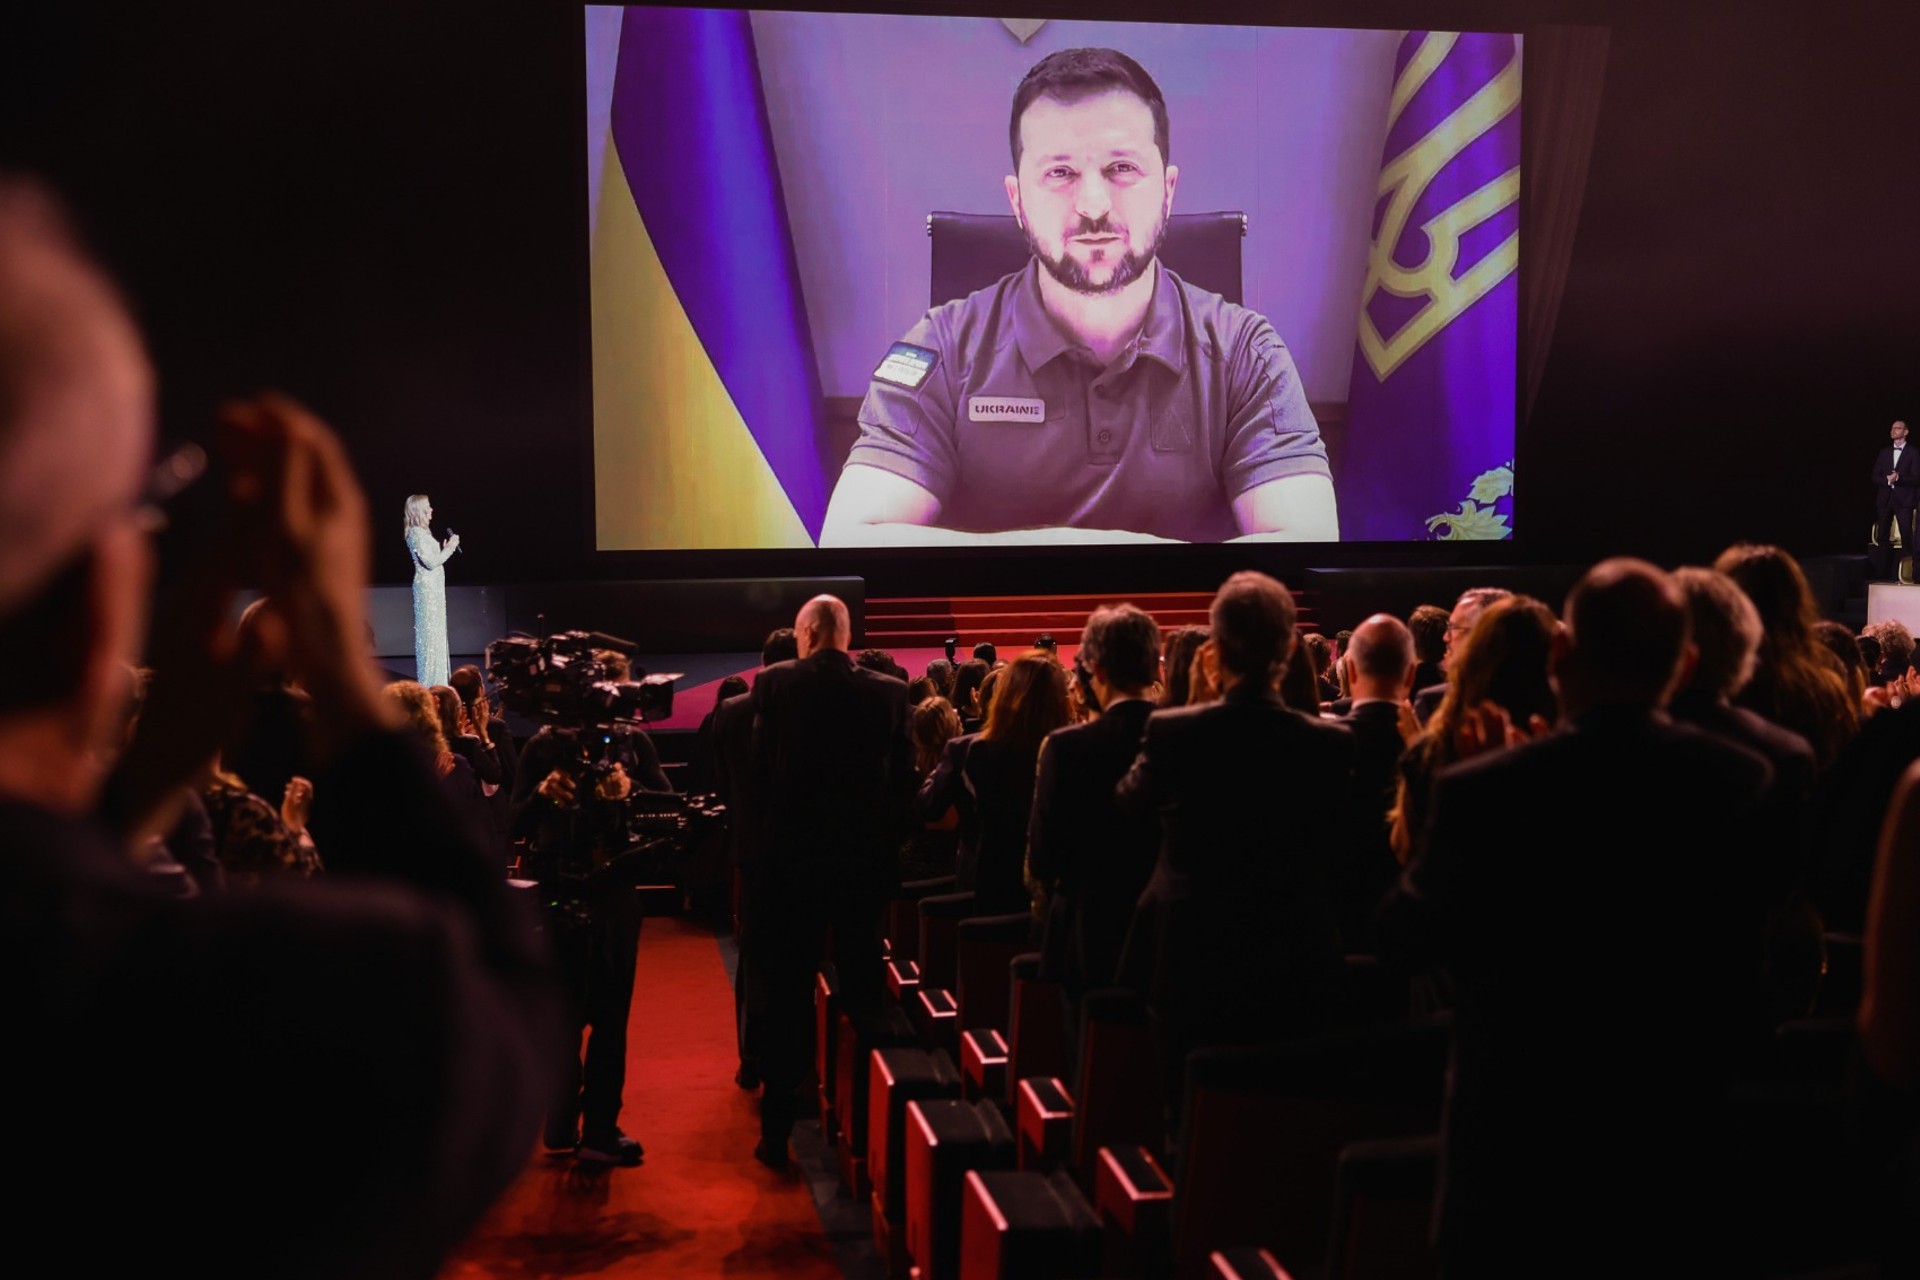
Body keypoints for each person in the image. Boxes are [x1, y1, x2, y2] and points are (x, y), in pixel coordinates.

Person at [0, 181, 563, 1275]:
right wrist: (347, 694)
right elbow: (500, 1012)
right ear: (89, 605)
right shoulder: (247, 1021)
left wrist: (128, 800)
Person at [1376, 559, 1774, 1272]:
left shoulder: (1483, 788)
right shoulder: (1740, 781)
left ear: (1563, 653)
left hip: (1514, 1153)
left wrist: (1472, 815)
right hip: (1675, 1145)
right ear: (1683, 665)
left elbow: (1404, 938)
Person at [818, 47, 1336, 547]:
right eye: (1059, 173)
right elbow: (848, 540)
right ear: (1018, 200)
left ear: (1168, 190)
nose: (1093, 205)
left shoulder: (1247, 352)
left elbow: (1309, 543)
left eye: (1122, 169)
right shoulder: (941, 347)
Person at [1117, 572, 1356, 1118]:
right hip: (1297, 953)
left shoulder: (1173, 731)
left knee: (1187, 1123)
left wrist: (1195, 705)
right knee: (1288, 1122)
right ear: (1290, 648)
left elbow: (1129, 805)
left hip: (1191, 954)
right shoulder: (1330, 744)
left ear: (1216, 649)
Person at [746, 595, 915, 1167]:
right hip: (861, 868)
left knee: (786, 995)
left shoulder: (774, 685)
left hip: (790, 867)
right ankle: (869, 1136)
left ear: (810, 631)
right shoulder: (891, 693)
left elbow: (759, 779)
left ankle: (776, 1133)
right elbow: (903, 790)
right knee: (865, 996)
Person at [511, 685, 673, 1167]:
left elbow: (665, 805)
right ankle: (561, 1122)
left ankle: (600, 1128)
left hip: (614, 896)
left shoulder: (633, 745)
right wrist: (543, 794)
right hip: (557, 889)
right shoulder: (542, 747)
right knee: (563, 1019)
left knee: (609, 1022)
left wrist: (631, 791)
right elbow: (514, 818)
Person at [1027, 604, 1163, 1040]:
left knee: (1087, 1077)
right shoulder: (1187, 737)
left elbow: (1044, 859)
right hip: (1167, 941)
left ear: (1095, 670)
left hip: (1089, 934)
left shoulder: (1066, 748)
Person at [712, 626, 800, 1093]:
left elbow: (725, 785)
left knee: (755, 958)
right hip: (801, 852)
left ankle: (752, 1058)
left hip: (751, 851)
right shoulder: (810, 709)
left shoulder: (731, 711)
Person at [1334, 613, 1418, 951]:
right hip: (1411, 933)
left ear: (1350, 669)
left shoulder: (1322, 744)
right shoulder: (1432, 748)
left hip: (1338, 925)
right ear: (1411, 674)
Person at [403, 493, 458, 687]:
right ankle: (430, 686)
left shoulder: (423, 533)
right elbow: (431, 562)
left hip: (435, 591)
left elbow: (433, 557)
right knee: (430, 640)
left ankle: (439, 684)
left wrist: (441, 549)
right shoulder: (416, 533)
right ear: (418, 510)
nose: (431, 510)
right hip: (427, 592)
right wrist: (449, 548)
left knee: (436, 637)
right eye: (428, 506)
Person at [1870, 419, 1918, 581]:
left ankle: (1910, 572)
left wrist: (1899, 478)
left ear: (1905, 432)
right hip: (1885, 499)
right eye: (1892, 428)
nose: (1893, 430)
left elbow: (1917, 477)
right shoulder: (1884, 453)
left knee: (1906, 535)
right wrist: (1888, 480)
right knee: (1883, 535)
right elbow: (1875, 476)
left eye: (1897, 428)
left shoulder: (1913, 453)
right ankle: (1881, 572)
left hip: (1904, 500)